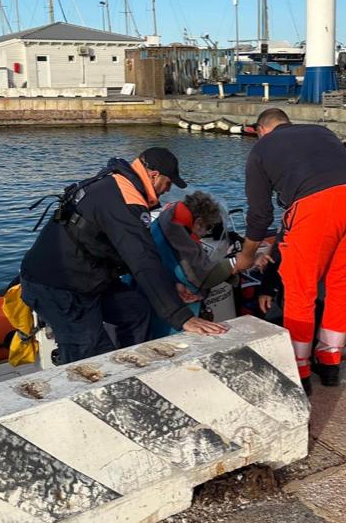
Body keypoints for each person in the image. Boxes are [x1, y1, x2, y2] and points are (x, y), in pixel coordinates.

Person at [19, 147, 226, 364]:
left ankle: (132, 366)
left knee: (136, 310)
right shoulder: (124, 200)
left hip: (90, 276)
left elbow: (126, 252)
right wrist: (182, 317)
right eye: (168, 182)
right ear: (154, 175)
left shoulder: (116, 183)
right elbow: (143, 260)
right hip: (58, 286)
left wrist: (171, 287)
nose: (167, 189)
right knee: (90, 354)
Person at [234, 108, 346, 394]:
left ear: (262, 130)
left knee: (301, 289)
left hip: (318, 206)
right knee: (342, 285)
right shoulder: (321, 132)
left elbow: (260, 215)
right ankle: (330, 361)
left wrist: (247, 255)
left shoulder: (261, 148)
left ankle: (300, 370)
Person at [149, 190, 238, 336]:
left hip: (157, 287)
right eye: (208, 228)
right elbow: (201, 276)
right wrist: (235, 262)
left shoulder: (166, 217)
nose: (205, 233)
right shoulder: (178, 233)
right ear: (198, 223)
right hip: (167, 311)